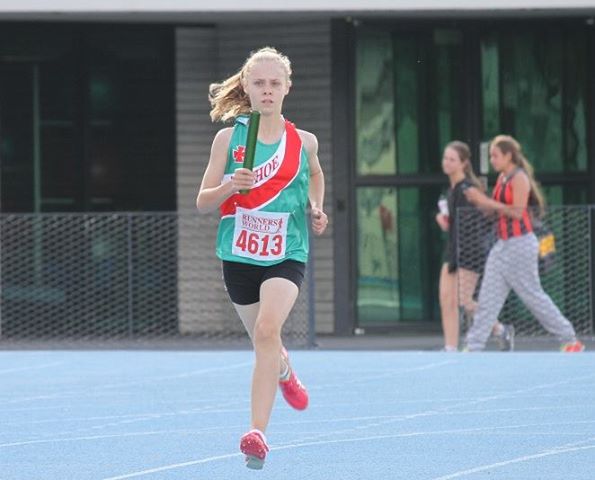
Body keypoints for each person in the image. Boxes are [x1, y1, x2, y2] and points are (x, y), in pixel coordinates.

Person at [196, 47, 328, 469]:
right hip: (238, 254)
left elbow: (317, 174)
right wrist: (230, 187)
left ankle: (257, 432)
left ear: (287, 88)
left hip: (285, 251)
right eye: (260, 84)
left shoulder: (303, 141)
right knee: (265, 341)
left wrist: (316, 205)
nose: (267, 91)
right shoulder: (228, 139)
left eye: (275, 84)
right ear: (247, 88)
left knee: (269, 330)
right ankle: (285, 371)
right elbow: (202, 202)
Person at [463, 135, 584, 352]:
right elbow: (494, 212)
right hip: (501, 245)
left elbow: (518, 212)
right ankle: (474, 345)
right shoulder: (501, 178)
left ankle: (569, 338)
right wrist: (478, 199)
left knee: (532, 295)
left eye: (495, 155)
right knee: (488, 297)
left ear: (509, 155)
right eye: (491, 155)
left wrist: (485, 201)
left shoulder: (519, 178)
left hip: (520, 244)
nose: (492, 160)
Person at [436, 141, 514, 352]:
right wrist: (444, 220)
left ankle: (499, 329)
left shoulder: (469, 189)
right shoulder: (449, 191)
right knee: (446, 299)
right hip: (452, 249)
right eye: (445, 158)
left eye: (452, 159)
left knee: (465, 301)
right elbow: (450, 222)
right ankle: (450, 346)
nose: (447, 163)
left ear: (463, 163)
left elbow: (488, 214)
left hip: (470, 251)